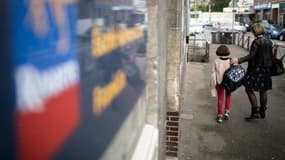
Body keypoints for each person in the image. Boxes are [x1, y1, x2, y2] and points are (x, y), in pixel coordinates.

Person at [231, 23, 273, 120]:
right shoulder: (269, 41)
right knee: (263, 90)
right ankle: (262, 111)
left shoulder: (256, 42)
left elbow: (251, 56)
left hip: (256, 69)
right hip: (266, 70)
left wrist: (239, 60)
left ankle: (255, 111)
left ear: (255, 31)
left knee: (248, 88)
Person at [210, 45, 231, 123]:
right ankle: (227, 112)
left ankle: (219, 116)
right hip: (229, 82)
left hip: (219, 82)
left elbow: (213, 71)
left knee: (220, 98)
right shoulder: (230, 61)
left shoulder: (216, 61)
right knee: (228, 96)